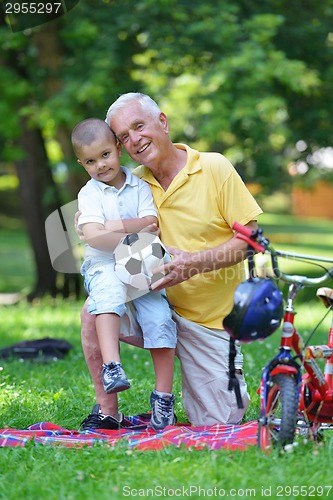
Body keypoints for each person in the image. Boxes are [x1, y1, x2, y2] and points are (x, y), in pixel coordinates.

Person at [78, 93, 263, 431]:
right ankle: (107, 410)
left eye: (139, 126)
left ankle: (180, 394)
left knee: (218, 422)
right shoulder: (129, 182)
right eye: (123, 136)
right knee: (95, 309)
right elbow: (96, 232)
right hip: (151, 299)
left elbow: (251, 241)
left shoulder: (213, 167)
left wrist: (192, 265)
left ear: (162, 122)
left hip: (209, 323)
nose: (134, 140)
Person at [72, 118, 177, 431]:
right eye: (90, 161)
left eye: (105, 155)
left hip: (141, 262)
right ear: (82, 164)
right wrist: (132, 228)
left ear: (117, 149)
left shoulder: (140, 187)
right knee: (109, 294)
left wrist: (109, 228)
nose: (100, 165)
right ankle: (112, 365)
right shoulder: (89, 194)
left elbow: (151, 224)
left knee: (159, 316)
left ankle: (163, 399)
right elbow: (94, 239)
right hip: (103, 264)